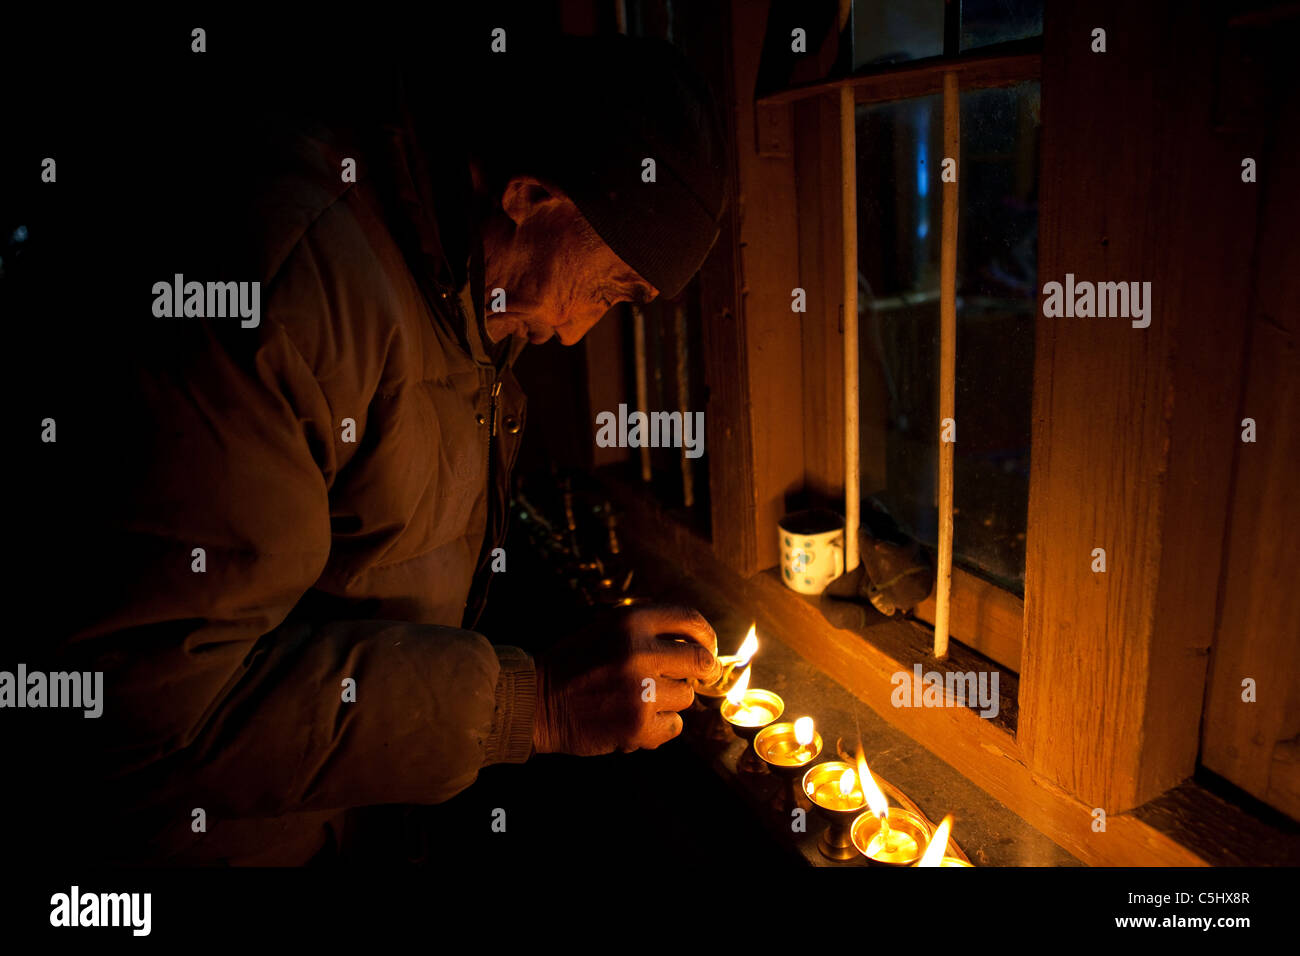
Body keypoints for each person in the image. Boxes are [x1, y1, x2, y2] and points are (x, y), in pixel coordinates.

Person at [19, 29, 729, 864]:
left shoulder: (468, 302)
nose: (576, 333)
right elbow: (144, 714)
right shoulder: (290, 283)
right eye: (609, 289)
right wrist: (529, 707)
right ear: (532, 195)